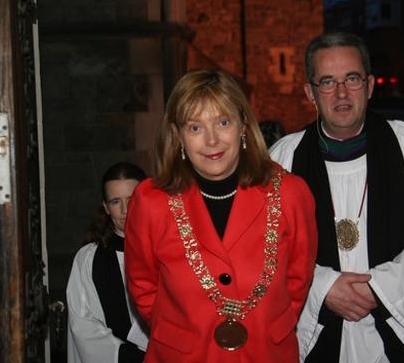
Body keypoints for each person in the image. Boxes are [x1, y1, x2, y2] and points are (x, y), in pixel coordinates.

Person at [269, 32, 404, 362]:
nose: (341, 93)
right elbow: (266, 252)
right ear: (310, 92)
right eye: (327, 82)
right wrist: (322, 287)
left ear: (370, 85)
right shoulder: (284, 159)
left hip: (396, 332)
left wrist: (378, 287)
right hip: (318, 332)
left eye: (351, 78)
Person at [124, 69, 318, 362]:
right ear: (177, 135)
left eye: (223, 122)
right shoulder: (151, 201)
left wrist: (266, 327)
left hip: (266, 354)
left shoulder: (291, 193)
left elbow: (297, 281)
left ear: (242, 125)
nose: (212, 140)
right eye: (195, 128)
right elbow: (144, 287)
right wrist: (184, 333)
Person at [66, 161, 149, 363]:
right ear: (106, 207)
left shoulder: (172, 249)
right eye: (115, 202)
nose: (126, 210)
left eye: (132, 199)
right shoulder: (89, 260)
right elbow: (84, 325)